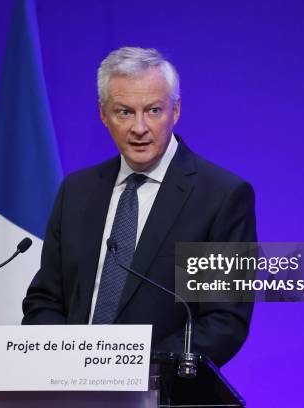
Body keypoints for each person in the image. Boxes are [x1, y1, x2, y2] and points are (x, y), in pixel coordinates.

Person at [22, 47, 256, 366]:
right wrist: (65, 365)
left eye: (153, 111)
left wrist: (133, 368)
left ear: (175, 111)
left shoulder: (221, 196)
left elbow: (224, 322)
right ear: (103, 115)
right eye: (124, 112)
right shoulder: (76, 191)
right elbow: (45, 300)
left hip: (160, 392)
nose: (139, 128)